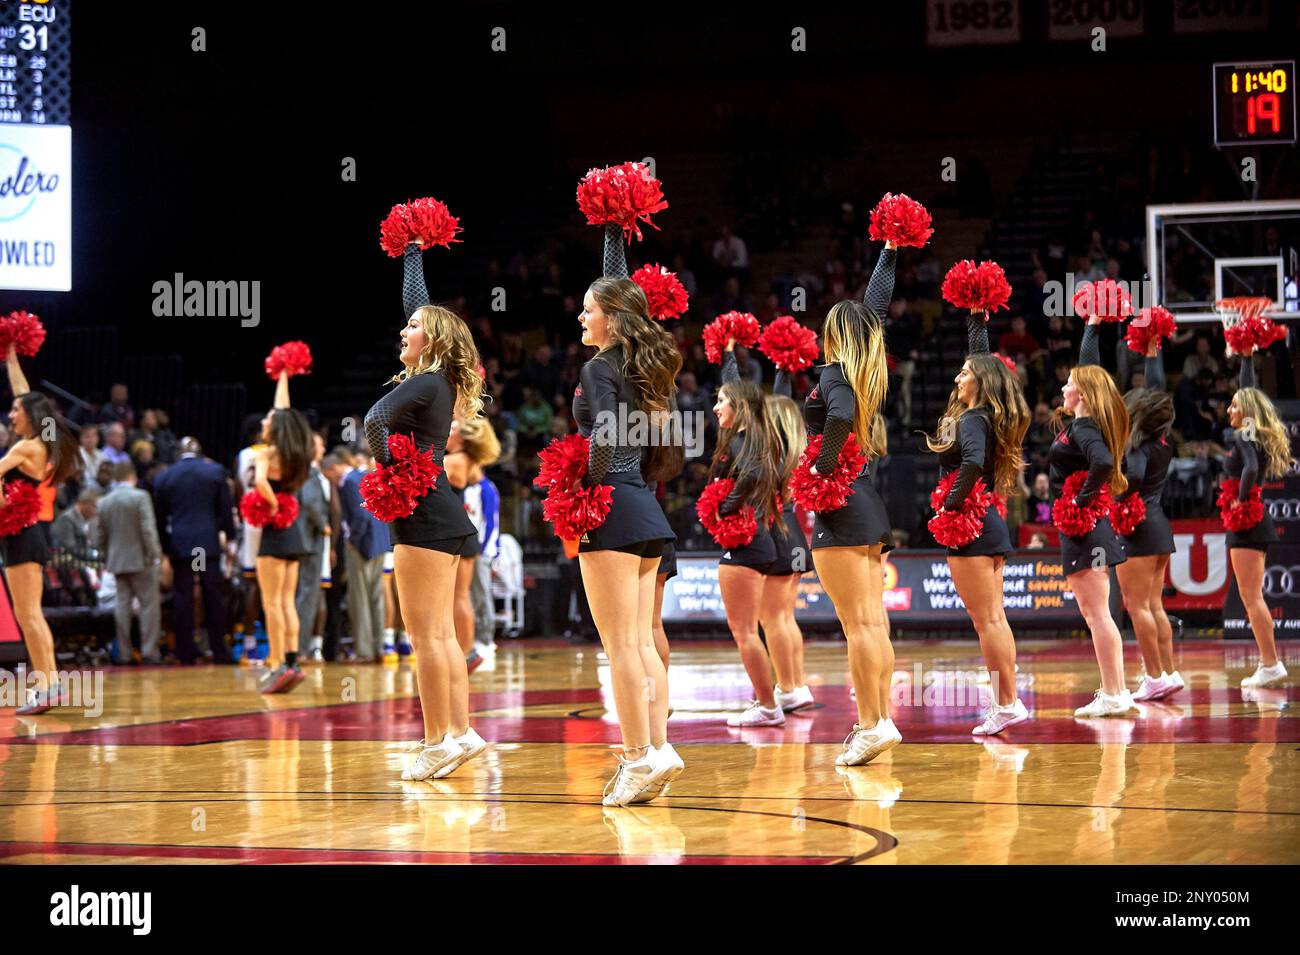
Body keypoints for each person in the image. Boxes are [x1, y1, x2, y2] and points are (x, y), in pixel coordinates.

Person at [364, 238, 488, 780]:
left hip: (422, 513)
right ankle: (458, 733)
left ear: (432, 339)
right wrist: (412, 254)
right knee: (441, 635)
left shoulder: (425, 383)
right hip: (442, 511)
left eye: (412, 327)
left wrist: (394, 469)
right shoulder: (439, 383)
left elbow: (372, 421)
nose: (402, 330)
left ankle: (440, 739)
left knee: (426, 636)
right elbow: (420, 306)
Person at [572, 224, 685, 806]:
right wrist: (615, 232)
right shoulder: (645, 369)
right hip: (645, 509)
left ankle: (638, 759)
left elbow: (608, 439)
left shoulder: (599, 370)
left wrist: (584, 480)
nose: (582, 319)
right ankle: (659, 748)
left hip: (613, 507)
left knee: (619, 645)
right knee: (641, 641)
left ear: (612, 319)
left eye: (589, 311)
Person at [804, 237, 901, 764]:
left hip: (842, 503)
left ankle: (871, 723)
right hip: (866, 500)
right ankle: (881, 719)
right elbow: (876, 310)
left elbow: (837, 418)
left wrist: (821, 465)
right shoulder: (865, 369)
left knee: (859, 625)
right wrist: (889, 251)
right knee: (873, 621)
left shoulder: (835, 374)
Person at [926, 311, 1031, 735]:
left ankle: (1007, 703)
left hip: (972, 528)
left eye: (965, 373)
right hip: (987, 525)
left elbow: (970, 463)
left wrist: (948, 504)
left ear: (981, 382)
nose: (957, 378)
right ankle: (1007, 701)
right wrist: (977, 323)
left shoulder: (972, 419)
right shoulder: (985, 415)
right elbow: (981, 359)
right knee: (994, 618)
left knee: (987, 621)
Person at [1051, 315, 1135, 717]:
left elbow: (1101, 462)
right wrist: (1092, 325)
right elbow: (1089, 367)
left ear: (1081, 393)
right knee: (1096, 613)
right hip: (1090, 531)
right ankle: (1113, 691)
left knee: (1097, 613)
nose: (1064, 387)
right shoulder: (1086, 422)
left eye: (1070, 383)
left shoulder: (1085, 428)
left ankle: (1115, 693)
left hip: (1087, 530)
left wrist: (1080, 502)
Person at [0, 344, 83, 713]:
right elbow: (24, 394)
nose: (11, 413)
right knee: (30, 613)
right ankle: (49, 684)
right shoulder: (44, 443)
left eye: (16, 411)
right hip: (32, 534)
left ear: (31, 416)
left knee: (27, 614)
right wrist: (12, 358)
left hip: (23, 536)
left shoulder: (24, 449)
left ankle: (48, 684)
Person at [711, 343, 787, 726]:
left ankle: (768, 706)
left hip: (748, 542)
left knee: (743, 631)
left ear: (738, 407)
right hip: (758, 541)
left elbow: (754, 473)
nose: (716, 407)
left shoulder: (745, 443)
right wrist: (728, 354)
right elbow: (734, 388)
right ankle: (768, 702)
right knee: (748, 629)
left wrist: (728, 504)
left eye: (722, 401)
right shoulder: (752, 434)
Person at [1115, 341, 1182, 700]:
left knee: (1138, 606)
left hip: (1138, 526)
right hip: (1159, 526)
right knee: (1155, 605)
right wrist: (1152, 352)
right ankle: (1168, 672)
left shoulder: (1137, 446)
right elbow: (1157, 392)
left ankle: (1154, 676)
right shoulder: (1162, 441)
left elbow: (1136, 475)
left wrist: (1118, 496)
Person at [1226, 350, 1293, 688]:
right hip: (1256, 521)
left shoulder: (1242, 436)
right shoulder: (1252, 432)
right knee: (1253, 597)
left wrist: (1240, 499)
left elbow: (1250, 468)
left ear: (1247, 413)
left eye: (1235, 406)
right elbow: (1248, 391)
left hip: (1248, 521)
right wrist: (1246, 359)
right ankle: (1270, 663)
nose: (1229, 410)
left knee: (1252, 598)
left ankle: (1270, 664)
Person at [252, 369, 315, 693]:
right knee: (288, 602)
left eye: (267, 420)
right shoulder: (296, 455)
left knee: (272, 602)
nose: (263, 422)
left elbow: (260, 481)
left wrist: (271, 504)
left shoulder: (268, 453)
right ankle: (292, 662)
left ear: (274, 427)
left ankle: (278, 663)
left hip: (276, 533)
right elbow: (284, 411)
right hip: (296, 533)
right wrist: (284, 377)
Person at [153, 437, 237, 664]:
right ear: (200, 452)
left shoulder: (165, 477)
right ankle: (219, 649)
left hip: (181, 546)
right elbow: (225, 509)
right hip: (206, 546)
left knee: (184, 597)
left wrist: (165, 546)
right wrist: (230, 538)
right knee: (213, 596)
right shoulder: (214, 472)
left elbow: (159, 518)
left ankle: (185, 650)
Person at [763, 393, 813, 712]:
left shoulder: (771, 456)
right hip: (793, 535)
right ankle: (795, 684)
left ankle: (787, 687)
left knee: (773, 619)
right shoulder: (792, 452)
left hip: (778, 534)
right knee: (784, 616)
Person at [323, 451, 390, 662]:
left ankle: (364, 651)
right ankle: (379, 647)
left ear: (334, 469)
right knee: (375, 598)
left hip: (362, 545)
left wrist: (353, 540)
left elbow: (360, 515)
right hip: (379, 542)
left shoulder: (349, 482)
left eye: (328, 476)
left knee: (359, 599)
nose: (330, 481)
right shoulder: (364, 475)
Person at [97, 461, 164, 665]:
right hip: (141, 560)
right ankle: (149, 651)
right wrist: (155, 554)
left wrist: (107, 556)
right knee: (148, 607)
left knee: (122, 607)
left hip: (117, 561)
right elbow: (148, 530)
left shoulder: (105, 501)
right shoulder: (140, 497)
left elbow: (101, 535)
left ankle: (124, 654)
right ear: (132, 476)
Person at [458, 417, 502, 661]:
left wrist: (488, 551)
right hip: (465, 549)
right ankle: (470, 639)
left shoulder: (487, 488)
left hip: (482, 551)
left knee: (482, 595)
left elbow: (492, 523)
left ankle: (486, 639)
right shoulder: (462, 487)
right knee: (466, 596)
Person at [294, 432, 330, 665]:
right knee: (307, 596)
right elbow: (309, 502)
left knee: (308, 595)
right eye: (318, 445)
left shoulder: (307, 470)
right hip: (310, 540)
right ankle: (300, 648)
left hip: (306, 540)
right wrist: (323, 525)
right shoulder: (308, 471)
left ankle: (301, 646)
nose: (323, 448)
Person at [52, 488, 100, 558]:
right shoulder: (67, 519)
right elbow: (70, 548)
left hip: (84, 559)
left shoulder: (89, 519)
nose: (96, 512)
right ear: (84, 504)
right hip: (68, 563)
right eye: (95, 507)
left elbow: (94, 543)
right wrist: (94, 554)